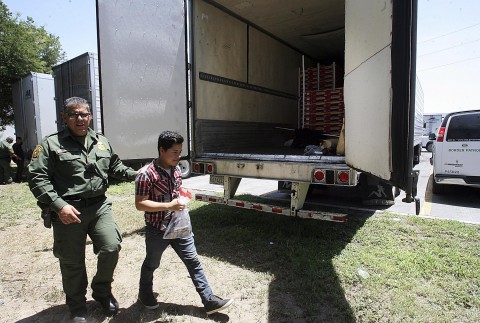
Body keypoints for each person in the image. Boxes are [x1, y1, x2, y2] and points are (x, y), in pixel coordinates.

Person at [28, 97, 137, 322]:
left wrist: (138, 175)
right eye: (74, 114)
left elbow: (115, 166)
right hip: (68, 210)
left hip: (99, 206)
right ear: (64, 117)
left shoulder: (101, 141)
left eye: (84, 114)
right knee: (71, 260)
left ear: (90, 116)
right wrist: (59, 206)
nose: (80, 118)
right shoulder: (50, 144)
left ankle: (102, 291)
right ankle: (77, 305)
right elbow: (37, 178)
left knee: (111, 246)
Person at [135, 130, 233, 315]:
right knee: (151, 263)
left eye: (180, 152)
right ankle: (144, 293)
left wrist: (183, 194)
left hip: (180, 226)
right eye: (174, 152)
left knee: (193, 261)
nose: (178, 156)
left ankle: (209, 300)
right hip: (158, 229)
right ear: (161, 150)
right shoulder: (146, 174)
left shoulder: (177, 169)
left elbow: (176, 191)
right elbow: (140, 204)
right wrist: (169, 205)